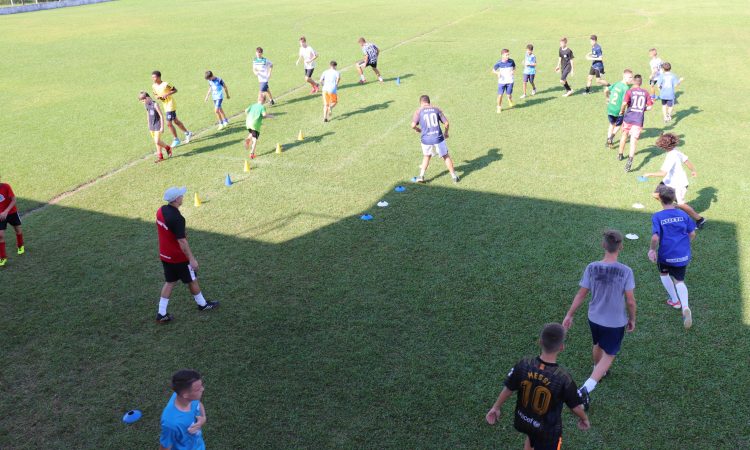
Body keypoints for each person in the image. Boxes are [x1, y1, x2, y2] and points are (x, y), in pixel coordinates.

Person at [562, 230, 637, 411]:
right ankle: (585, 390)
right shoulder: (626, 271)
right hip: (615, 321)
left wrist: (569, 314)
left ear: (604, 245)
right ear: (621, 247)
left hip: (594, 317)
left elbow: (581, 295)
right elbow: (630, 301)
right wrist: (632, 319)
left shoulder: (591, 267)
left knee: (597, 343)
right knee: (610, 354)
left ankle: (598, 369)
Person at [485, 323, 590, 450]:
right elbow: (575, 407)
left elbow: (509, 387)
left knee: (531, 436)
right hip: (547, 431)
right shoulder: (562, 378)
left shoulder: (524, 364)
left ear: (540, 342)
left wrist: (496, 407)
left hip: (524, 421)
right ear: (562, 347)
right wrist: (584, 419)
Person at [155, 187, 219, 324]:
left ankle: (161, 313)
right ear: (177, 199)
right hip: (178, 257)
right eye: (181, 196)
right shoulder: (178, 218)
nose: (183, 197)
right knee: (192, 279)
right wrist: (191, 259)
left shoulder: (160, 211)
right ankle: (202, 304)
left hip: (165, 255)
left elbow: (167, 230)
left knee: (170, 282)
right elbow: (182, 241)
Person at [648, 186, 696, 329]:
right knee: (679, 281)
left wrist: (651, 250)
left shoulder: (657, 216)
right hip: (683, 255)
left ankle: (675, 300)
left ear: (660, 200)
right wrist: (685, 245)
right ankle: (685, 307)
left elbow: (655, 237)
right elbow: (692, 234)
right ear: (674, 198)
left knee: (664, 273)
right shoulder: (683, 215)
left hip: (666, 256)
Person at [642, 133, 705, 228]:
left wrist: (649, 174)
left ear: (663, 145)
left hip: (678, 184)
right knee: (656, 194)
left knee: (681, 204)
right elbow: (686, 161)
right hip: (668, 181)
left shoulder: (671, 156)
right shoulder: (676, 151)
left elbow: (663, 173)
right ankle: (671, 207)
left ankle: (699, 219)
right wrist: (693, 171)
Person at [410, 95, 459, 183]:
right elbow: (446, 123)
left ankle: (421, 176)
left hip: (426, 139)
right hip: (438, 138)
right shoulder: (436, 109)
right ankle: (454, 177)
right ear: (429, 102)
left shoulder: (418, 111)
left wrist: (418, 130)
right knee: (445, 156)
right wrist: (446, 133)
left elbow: (413, 125)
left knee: (426, 156)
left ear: (421, 103)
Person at [159, 369, 208, 450]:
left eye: (201, 385)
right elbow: (164, 448)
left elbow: (198, 404)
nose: (202, 389)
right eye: (198, 389)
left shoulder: (190, 398)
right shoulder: (171, 423)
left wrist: (203, 418)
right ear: (185, 395)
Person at [617, 74, 653, 172]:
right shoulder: (645, 93)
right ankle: (630, 160)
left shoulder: (629, 92)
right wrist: (642, 109)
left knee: (624, 135)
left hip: (628, 118)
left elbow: (624, 103)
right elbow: (650, 107)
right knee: (633, 141)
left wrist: (621, 111)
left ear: (633, 82)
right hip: (638, 120)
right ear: (641, 83)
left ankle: (620, 154)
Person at [151, 71, 194, 148]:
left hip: (170, 104)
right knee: (176, 121)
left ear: (158, 77)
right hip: (165, 105)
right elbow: (155, 94)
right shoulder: (154, 86)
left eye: (154, 77)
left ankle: (176, 139)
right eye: (152, 77)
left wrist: (167, 94)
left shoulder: (166, 84)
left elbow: (175, 90)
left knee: (169, 123)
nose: (152, 78)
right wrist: (157, 96)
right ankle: (187, 133)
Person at [139, 92, 173, 163]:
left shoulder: (155, 105)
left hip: (158, 125)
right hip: (152, 126)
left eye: (143, 100)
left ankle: (168, 148)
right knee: (157, 142)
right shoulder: (146, 104)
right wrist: (148, 124)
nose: (142, 102)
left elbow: (161, 115)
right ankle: (160, 157)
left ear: (147, 98)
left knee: (157, 141)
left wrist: (162, 127)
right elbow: (148, 114)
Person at [604, 69, 633, 148]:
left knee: (611, 124)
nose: (631, 79)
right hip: (618, 110)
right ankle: (611, 138)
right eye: (630, 77)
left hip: (610, 108)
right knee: (618, 125)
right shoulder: (626, 88)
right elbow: (624, 102)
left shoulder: (617, 83)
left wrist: (607, 98)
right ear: (624, 77)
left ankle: (608, 140)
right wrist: (622, 110)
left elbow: (606, 90)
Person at [0, 177, 24, 267]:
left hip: (11, 212)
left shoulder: (6, 186)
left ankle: (20, 245)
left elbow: (14, 200)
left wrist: (6, 211)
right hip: (1, 216)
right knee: (0, 235)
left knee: (18, 231)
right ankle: (3, 257)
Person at [245, 94, 271, 159]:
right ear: (264, 101)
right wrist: (271, 116)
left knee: (251, 133)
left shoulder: (253, 105)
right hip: (255, 124)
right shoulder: (262, 107)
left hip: (248, 122)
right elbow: (264, 115)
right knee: (255, 139)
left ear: (258, 99)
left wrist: (249, 116)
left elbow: (246, 111)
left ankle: (248, 139)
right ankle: (252, 154)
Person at [492, 49, 515, 113]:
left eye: (508, 54)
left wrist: (513, 71)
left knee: (509, 95)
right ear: (502, 55)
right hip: (501, 82)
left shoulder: (511, 61)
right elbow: (493, 70)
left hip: (510, 81)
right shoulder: (499, 63)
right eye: (506, 55)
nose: (508, 56)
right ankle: (499, 107)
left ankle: (509, 100)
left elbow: (514, 67)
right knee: (500, 95)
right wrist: (497, 73)